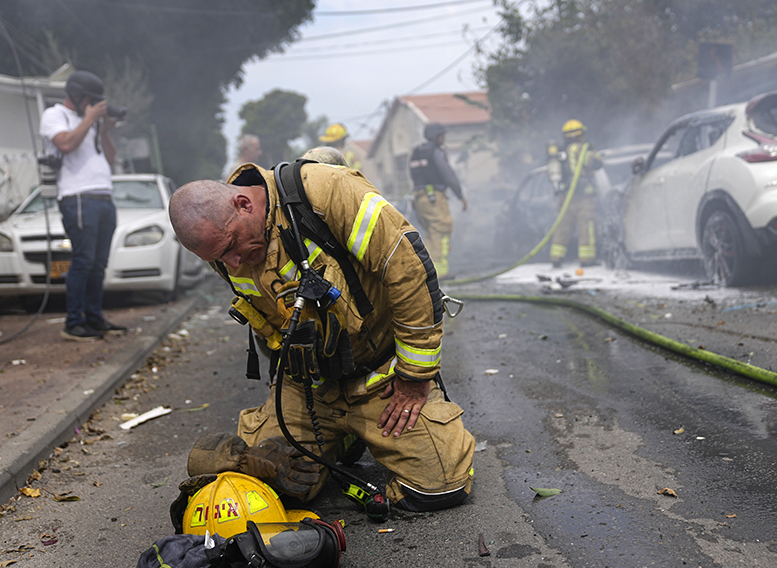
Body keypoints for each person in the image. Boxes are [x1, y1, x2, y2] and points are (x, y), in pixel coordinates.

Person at [168, 161, 475, 512]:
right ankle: (337, 438)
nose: (234, 262)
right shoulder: (225, 248)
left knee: (440, 487)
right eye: (220, 257)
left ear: (243, 204)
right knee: (263, 487)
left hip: (382, 378)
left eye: (232, 245)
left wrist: (414, 376)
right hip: (310, 386)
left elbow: (408, 270)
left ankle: (350, 435)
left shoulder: (326, 191)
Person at [39, 70, 127, 341]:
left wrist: (104, 130)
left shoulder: (90, 124)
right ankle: (73, 322)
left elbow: (110, 159)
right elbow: (65, 144)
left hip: (104, 196)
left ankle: (94, 317)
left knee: (99, 263)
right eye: (91, 99)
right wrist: (89, 120)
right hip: (78, 197)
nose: (95, 105)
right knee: (83, 261)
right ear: (76, 96)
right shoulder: (55, 115)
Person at [408, 123, 467, 279]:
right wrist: (460, 195)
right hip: (433, 196)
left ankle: (429, 270)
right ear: (435, 136)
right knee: (441, 228)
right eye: (442, 135)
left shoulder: (416, 152)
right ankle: (439, 273)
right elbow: (447, 173)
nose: (444, 138)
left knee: (432, 232)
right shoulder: (435, 151)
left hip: (419, 197)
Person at [548, 119, 604, 269]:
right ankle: (587, 260)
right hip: (583, 197)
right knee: (587, 226)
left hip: (565, 197)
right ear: (580, 135)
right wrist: (593, 152)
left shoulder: (562, 152)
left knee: (563, 227)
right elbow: (597, 163)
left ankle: (556, 258)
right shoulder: (581, 149)